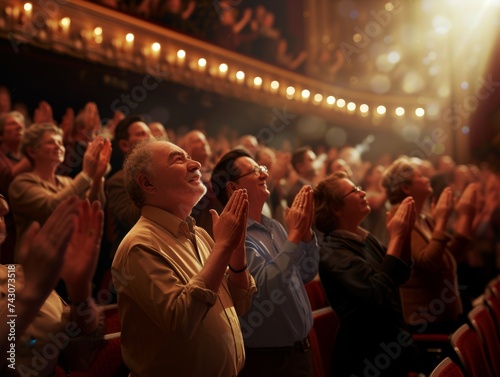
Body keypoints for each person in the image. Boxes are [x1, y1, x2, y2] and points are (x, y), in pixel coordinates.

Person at [112, 140, 256, 377]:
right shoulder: (139, 245)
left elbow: (240, 305)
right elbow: (182, 321)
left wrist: (236, 252)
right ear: (147, 183)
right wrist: (223, 246)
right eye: (178, 159)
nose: (196, 163)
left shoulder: (198, 234)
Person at [211, 149, 319, 377]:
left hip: (301, 348)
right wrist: (295, 236)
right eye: (255, 171)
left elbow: (306, 274)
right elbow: (266, 290)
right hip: (270, 361)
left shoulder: (274, 226)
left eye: (263, 169)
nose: (264, 175)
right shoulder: (234, 237)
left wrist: (306, 233)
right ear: (232, 187)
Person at [313, 172, 416, 377]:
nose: (362, 193)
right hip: (365, 358)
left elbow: (401, 274)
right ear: (336, 207)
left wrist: (405, 235)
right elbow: (376, 293)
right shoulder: (333, 251)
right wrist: (396, 237)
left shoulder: (362, 237)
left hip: (390, 347)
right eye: (355, 190)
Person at [1, 196, 104, 376]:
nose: (4, 207)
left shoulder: (19, 273)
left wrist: (80, 292)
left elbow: (76, 356)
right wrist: (31, 295)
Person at [382, 156, 479, 333]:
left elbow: (446, 257)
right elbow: (428, 262)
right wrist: (442, 219)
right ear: (405, 187)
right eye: (421, 177)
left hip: (440, 316)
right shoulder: (402, 216)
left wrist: (467, 216)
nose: (427, 179)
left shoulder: (423, 217)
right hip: (425, 321)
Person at [8, 123, 110, 262]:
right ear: (32, 151)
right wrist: (86, 174)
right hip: (35, 266)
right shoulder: (21, 184)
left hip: (67, 263)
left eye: (60, 142)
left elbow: (92, 209)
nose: (58, 146)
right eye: (51, 142)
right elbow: (52, 209)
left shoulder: (66, 182)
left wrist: (97, 177)